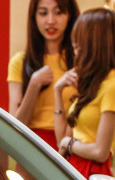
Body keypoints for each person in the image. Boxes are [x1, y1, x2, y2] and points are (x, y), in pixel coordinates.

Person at [52, 7, 115, 178]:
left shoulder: (113, 85)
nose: (75, 50)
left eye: (79, 43)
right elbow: (62, 138)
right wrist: (58, 90)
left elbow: (100, 151)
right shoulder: (96, 83)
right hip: (76, 168)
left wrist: (69, 144)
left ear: (95, 43)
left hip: (91, 172)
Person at [7, 0, 80, 149]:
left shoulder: (81, 61)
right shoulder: (19, 62)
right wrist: (34, 84)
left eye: (58, 12)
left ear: (70, 15)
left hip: (72, 146)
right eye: (43, 13)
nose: (51, 21)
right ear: (34, 17)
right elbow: (14, 126)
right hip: (32, 150)